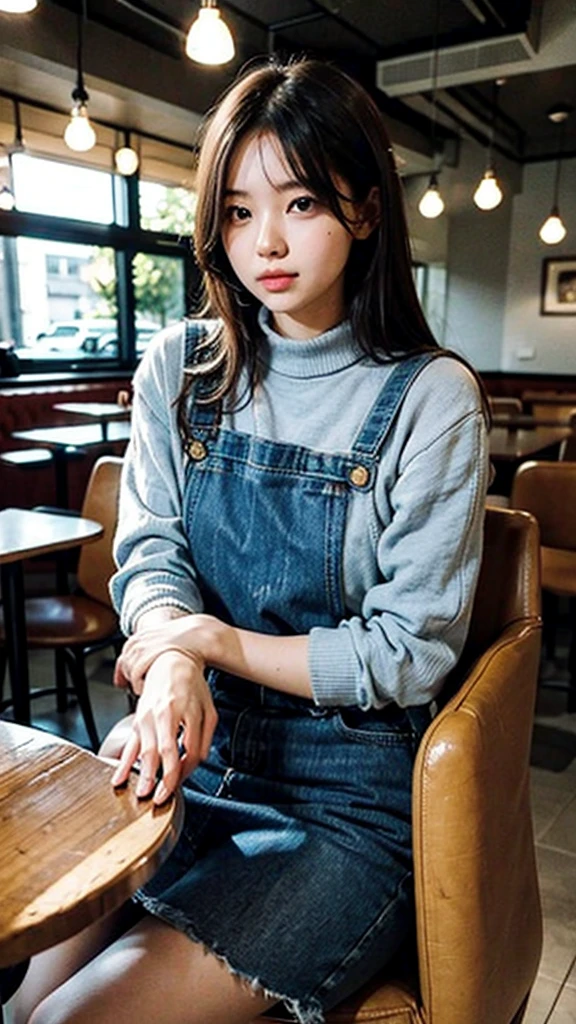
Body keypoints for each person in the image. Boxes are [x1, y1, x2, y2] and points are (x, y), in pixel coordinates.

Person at [15, 58, 489, 1024]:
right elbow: (149, 553)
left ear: (363, 209)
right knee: (27, 998)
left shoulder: (431, 397)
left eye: (301, 200)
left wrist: (209, 644)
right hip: (190, 749)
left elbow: (411, 651)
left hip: (348, 804)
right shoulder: (178, 370)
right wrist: (175, 670)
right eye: (235, 211)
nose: (263, 241)